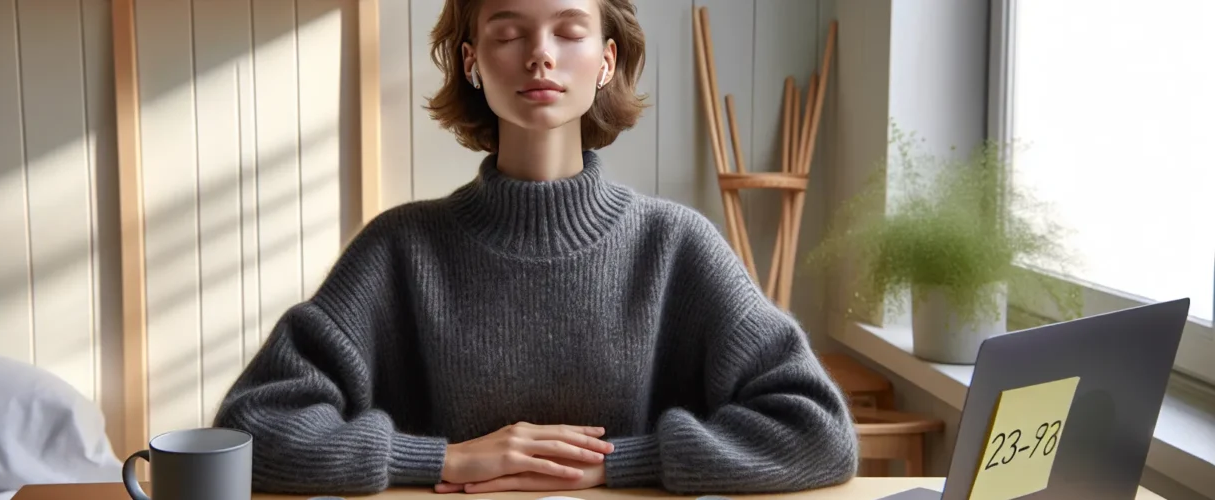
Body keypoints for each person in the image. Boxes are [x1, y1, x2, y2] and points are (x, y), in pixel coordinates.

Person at [212, 0, 859, 495]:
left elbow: (818, 433)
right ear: (470, 60)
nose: (539, 55)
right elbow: (249, 430)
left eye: (569, 30)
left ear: (607, 59)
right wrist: (441, 457)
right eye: (508, 30)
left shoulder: (674, 246)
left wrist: (617, 465)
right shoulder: (400, 250)